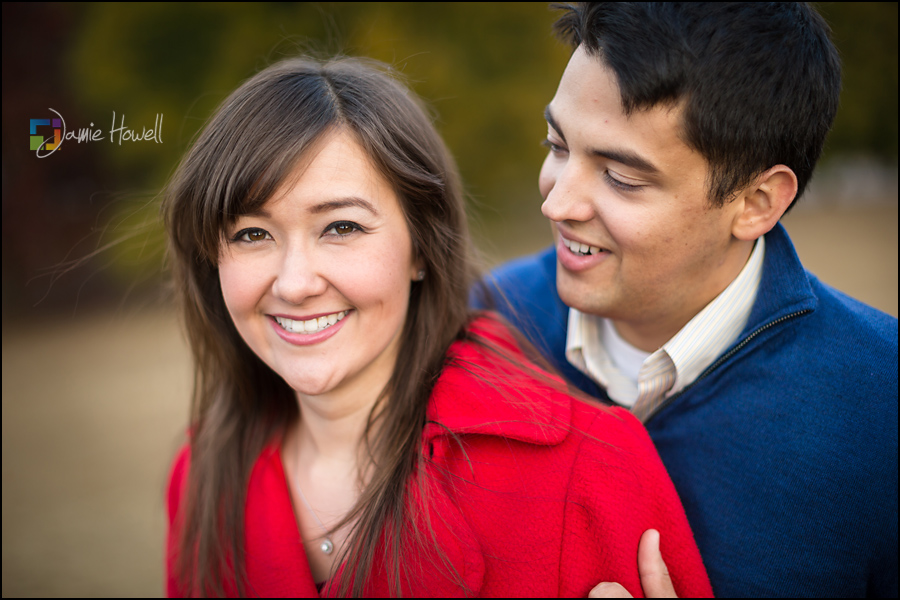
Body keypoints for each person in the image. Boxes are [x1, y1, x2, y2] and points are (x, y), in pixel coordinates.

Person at [162, 56, 713, 597]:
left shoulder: (591, 469)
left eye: (341, 226)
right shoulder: (204, 476)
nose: (295, 283)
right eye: (252, 234)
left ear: (420, 248)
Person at [478, 3, 898, 597]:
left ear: (756, 202)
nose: (556, 203)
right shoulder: (486, 322)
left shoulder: (883, 410)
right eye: (558, 145)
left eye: (621, 178)